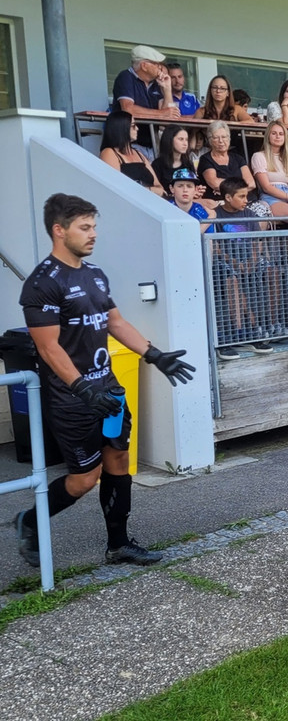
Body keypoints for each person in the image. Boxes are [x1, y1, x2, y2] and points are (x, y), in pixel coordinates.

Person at [15, 194, 195, 568]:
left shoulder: (94, 273)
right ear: (59, 230)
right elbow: (49, 349)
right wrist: (82, 388)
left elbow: (115, 322)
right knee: (84, 479)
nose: (94, 234)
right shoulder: (41, 284)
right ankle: (28, 520)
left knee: (118, 461)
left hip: (110, 391)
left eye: (94, 226)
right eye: (85, 227)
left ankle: (118, 545)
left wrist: (154, 354)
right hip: (73, 399)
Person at [211, 177, 269, 360]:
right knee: (232, 277)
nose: (246, 200)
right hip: (225, 262)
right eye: (242, 196)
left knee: (270, 270)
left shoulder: (250, 214)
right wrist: (237, 264)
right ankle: (239, 331)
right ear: (228, 197)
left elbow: (257, 242)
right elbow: (215, 248)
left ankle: (268, 325)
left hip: (248, 260)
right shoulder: (216, 215)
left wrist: (252, 261)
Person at [110, 44, 178, 156]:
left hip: (152, 145)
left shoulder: (156, 83)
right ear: (144, 66)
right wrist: (162, 113)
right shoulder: (126, 77)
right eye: (156, 64)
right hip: (129, 144)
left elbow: (168, 119)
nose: (160, 67)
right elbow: (128, 109)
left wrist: (167, 89)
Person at [99, 111, 163, 196]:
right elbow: (116, 186)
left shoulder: (139, 154)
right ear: (121, 128)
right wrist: (149, 190)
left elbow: (159, 186)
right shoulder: (109, 153)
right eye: (133, 126)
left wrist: (146, 190)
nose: (137, 128)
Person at [198, 121, 259, 202]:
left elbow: (251, 184)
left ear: (229, 139)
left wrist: (226, 189)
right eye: (216, 137)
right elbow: (215, 184)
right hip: (221, 202)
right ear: (210, 140)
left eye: (224, 137)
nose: (221, 141)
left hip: (247, 201)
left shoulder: (238, 158)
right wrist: (240, 185)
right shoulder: (205, 159)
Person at [251, 121, 288, 217]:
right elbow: (266, 187)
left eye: (281, 134)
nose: (278, 136)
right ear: (268, 136)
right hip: (271, 198)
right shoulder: (259, 156)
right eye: (274, 133)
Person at [152, 125, 204, 198]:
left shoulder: (188, 164)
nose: (185, 143)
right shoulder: (157, 165)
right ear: (169, 140)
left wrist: (197, 191)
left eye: (186, 139)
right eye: (181, 139)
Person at [168, 168, 216, 233]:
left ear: (196, 189)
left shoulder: (201, 211)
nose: (185, 190)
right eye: (180, 186)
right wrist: (210, 219)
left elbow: (209, 241)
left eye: (189, 186)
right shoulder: (166, 210)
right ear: (172, 189)